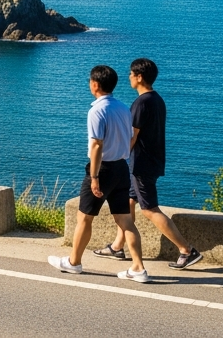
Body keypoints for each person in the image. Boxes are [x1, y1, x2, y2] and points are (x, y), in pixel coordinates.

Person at [95, 58, 204, 269]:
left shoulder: (141, 103)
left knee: (149, 209)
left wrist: (118, 155)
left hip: (142, 164)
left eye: (131, 74)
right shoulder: (157, 99)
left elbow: (132, 136)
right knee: (128, 203)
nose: (128, 77)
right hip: (153, 160)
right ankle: (117, 246)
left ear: (139, 77)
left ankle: (187, 250)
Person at [48, 65, 150, 283]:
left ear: (95, 84)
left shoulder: (97, 110)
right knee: (125, 220)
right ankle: (138, 268)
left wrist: (94, 177)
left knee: (84, 217)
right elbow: (129, 138)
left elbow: (96, 145)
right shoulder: (124, 108)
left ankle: (74, 262)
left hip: (103, 169)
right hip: (121, 168)